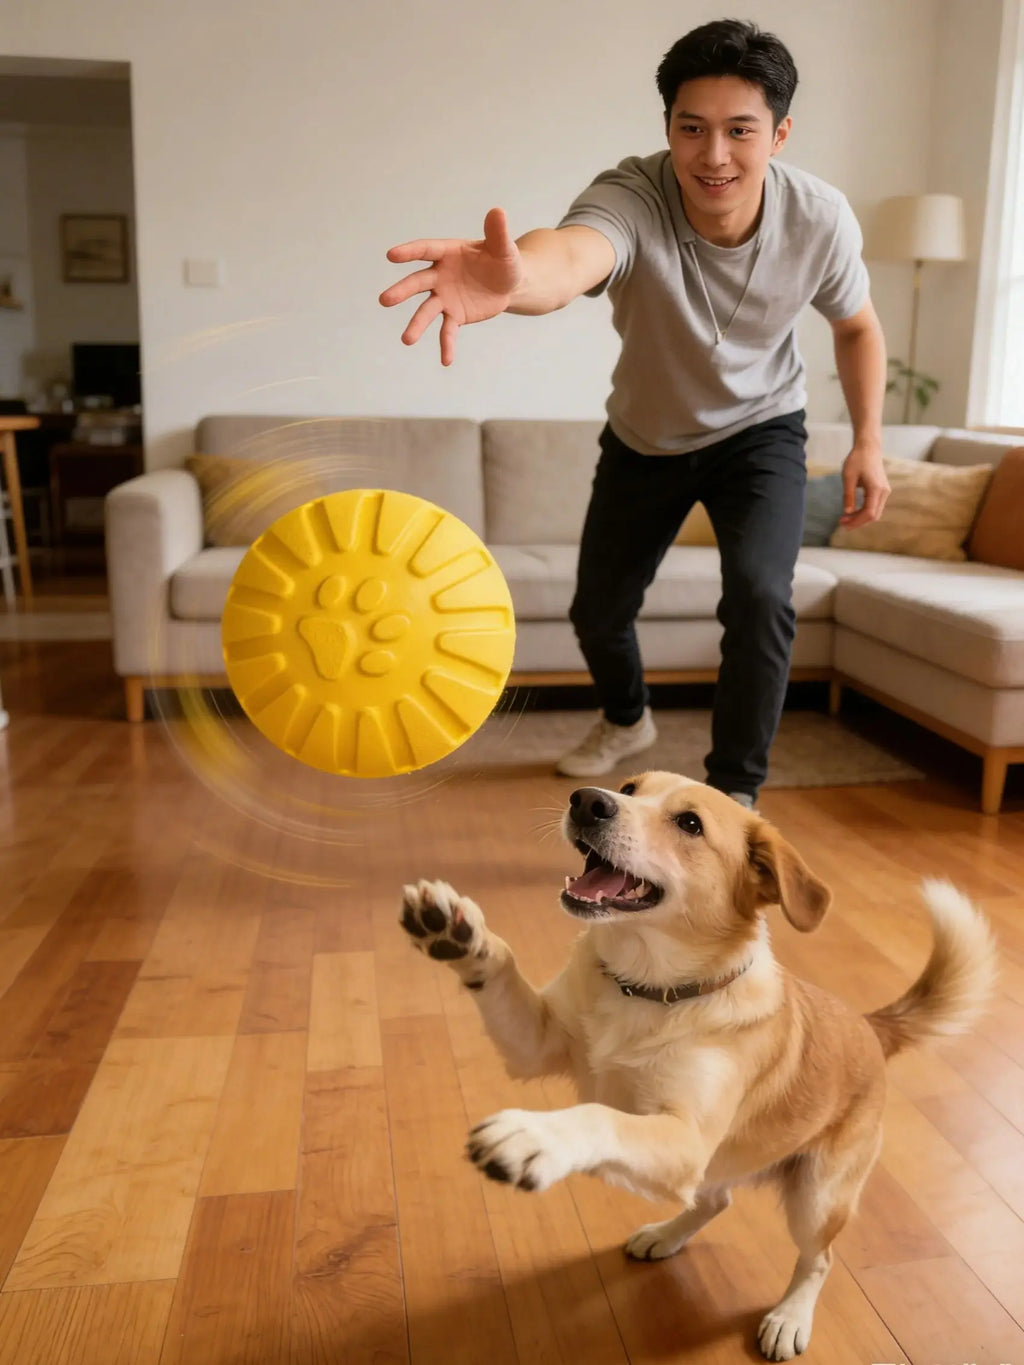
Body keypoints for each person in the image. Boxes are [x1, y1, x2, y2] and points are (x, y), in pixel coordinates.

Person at [379, 18, 889, 807]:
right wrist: (513, 282)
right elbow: (572, 255)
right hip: (646, 438)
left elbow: (856, 326)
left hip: (763, 430)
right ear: (667, 129)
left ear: (780, 133)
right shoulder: (632, 195)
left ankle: (732, 794)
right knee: (598, 609)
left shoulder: (819, 219)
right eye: (692, 129)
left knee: (760, 594)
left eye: (739, 131)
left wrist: (868, 443)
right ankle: (627, 718)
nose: (713, 156)